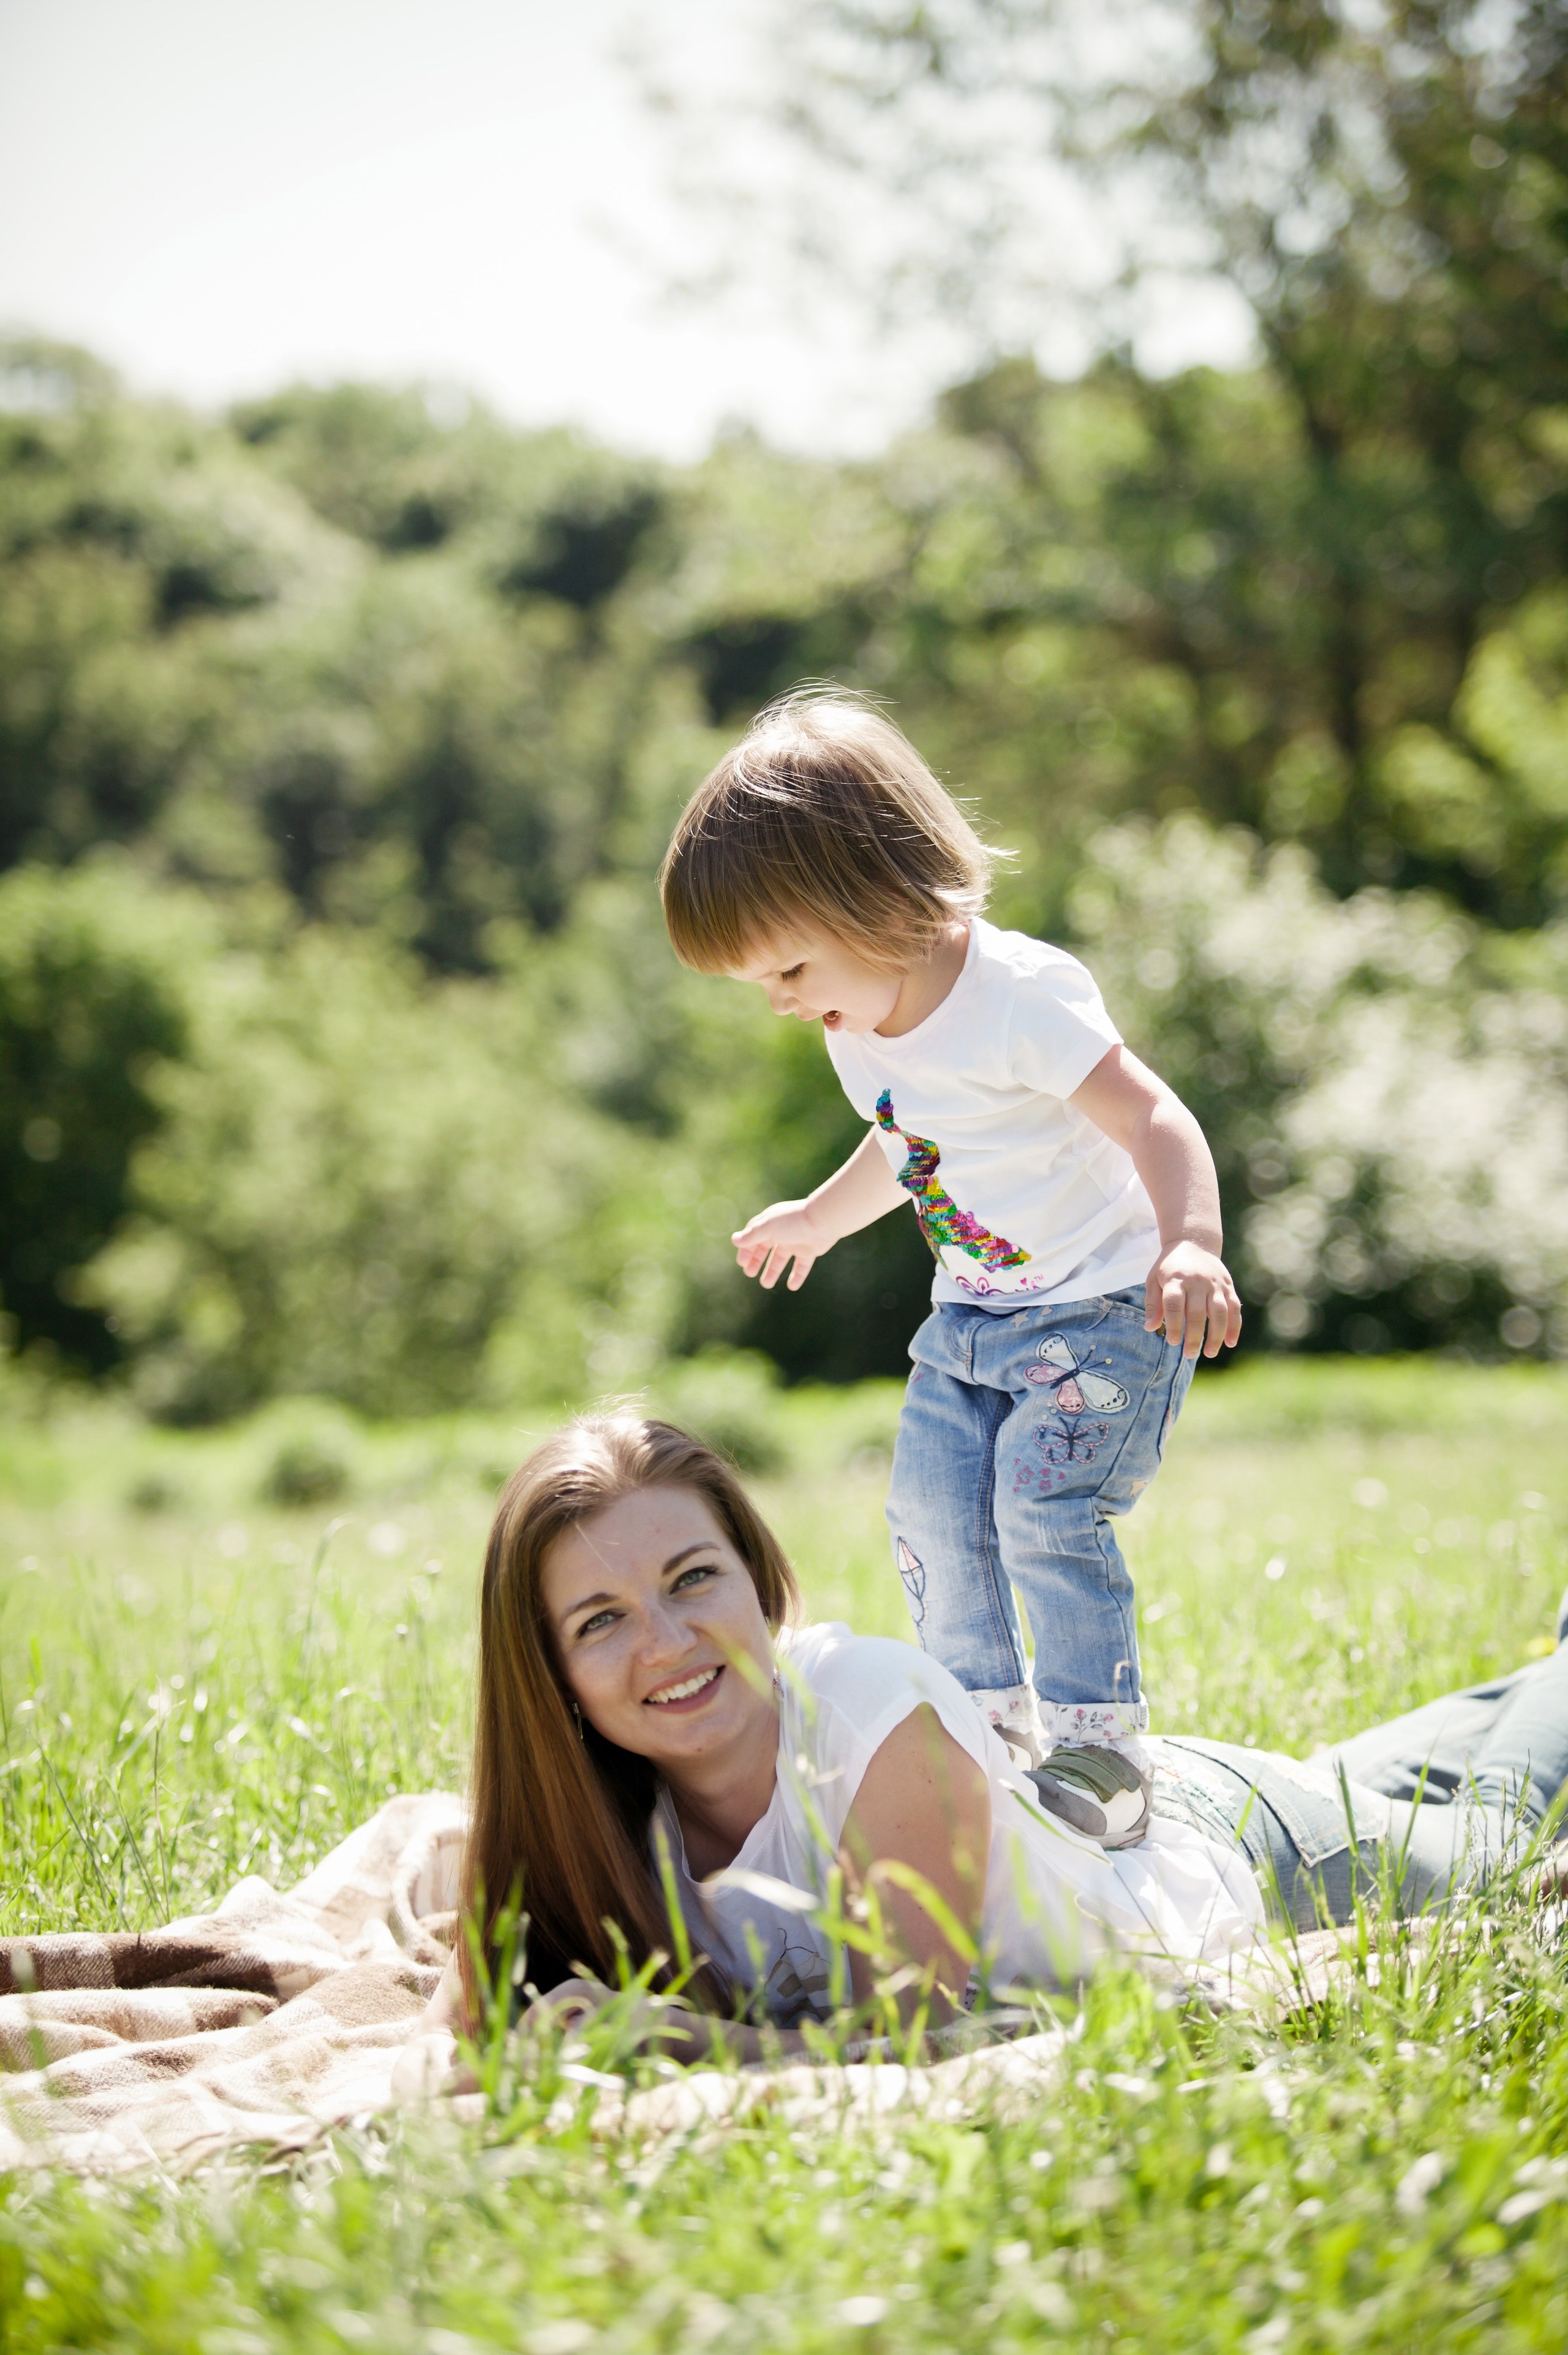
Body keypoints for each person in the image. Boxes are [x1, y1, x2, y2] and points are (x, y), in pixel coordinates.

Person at [419, 1416, 1567, 2063]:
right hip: (1115, 1815)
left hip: (1246, 1860)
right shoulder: (587, 1828)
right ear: (552, 1677)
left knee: (1509, 1833)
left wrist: (692, 2043)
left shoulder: (871, 1711)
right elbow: (463, 2034)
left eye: (693, 1579)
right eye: (602, 1620)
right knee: (1466, 1749)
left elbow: (910, 2034)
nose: (667, 1642)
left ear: (760, 1586)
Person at [658, 690, 1243, 1847]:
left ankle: (1102, 1751)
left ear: (874, 899)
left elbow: (1154, 1116)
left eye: (789, 969)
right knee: (929, 1510)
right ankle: (985, 1727)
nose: (782, 1005)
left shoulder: (1018, 997)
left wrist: (1193, 1242)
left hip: (1101, 1313)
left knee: (1042, 1506)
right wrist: (821, 1218)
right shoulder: (856, 1025)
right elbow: (909, 1145)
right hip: (973, 1317)